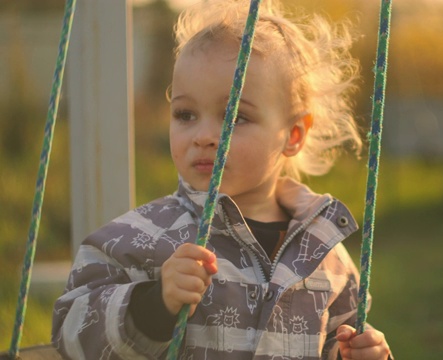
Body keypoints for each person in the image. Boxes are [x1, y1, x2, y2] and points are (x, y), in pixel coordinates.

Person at [52, 0, 392, 359]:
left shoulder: (326, 256)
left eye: (235, 118)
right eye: (185, 114)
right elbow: (71, 334)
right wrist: (154, 307)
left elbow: (337, 343)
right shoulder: (141, 238)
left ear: (293, 135)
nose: (203, 135)